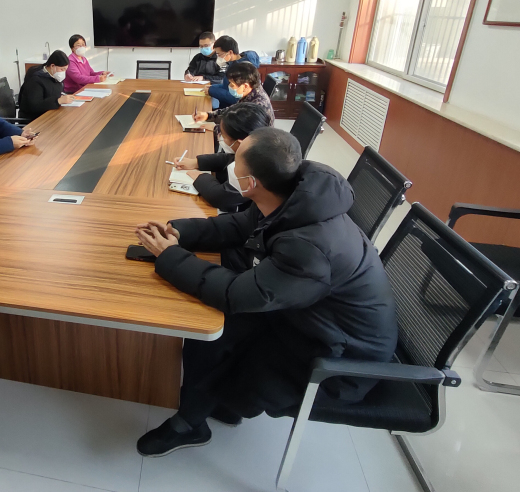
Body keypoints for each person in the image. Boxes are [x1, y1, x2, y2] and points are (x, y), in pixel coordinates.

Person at [133, 128, 397, 457]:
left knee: (218, 334)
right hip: (313, 319)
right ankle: (207, 408)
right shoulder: (291, 194)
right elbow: (239, 226)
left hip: (338, 359)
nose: (231, 163)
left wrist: (171, 257)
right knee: (215, 332)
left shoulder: (309, 249)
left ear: (250, 184)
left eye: (236, 162)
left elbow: (234, 294)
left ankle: (190, 424)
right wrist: (179, 232)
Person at [174, 103, 273, 213]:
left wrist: (200, 177)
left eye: (224, 136)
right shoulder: (258, 146)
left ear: (240, 143)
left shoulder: (255, 170)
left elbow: (220, 197)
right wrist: (196, 162)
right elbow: (227, 158)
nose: (220, 138)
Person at [194, 61, 274, 140]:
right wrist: (209, 115)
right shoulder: (251, 91)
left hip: (255, 143)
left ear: (245, 86)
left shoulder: (257, 105)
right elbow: (233, 110)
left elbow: (241, 130)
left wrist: (216, 128)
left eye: (232, 85)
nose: (229, 87)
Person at [19, 50, 75, 119]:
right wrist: (58, 101)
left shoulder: (55, 76)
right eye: (62, 69)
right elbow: (35, 105)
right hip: (35, 119)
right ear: (52, 66)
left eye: (65, 70)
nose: (63, 72)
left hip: (51, 113)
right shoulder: (36, 79)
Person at [207, 36, 260, 109]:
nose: (218, 57)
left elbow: (235, 98)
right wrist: (212, 87)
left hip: (234, 109)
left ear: (230, 52)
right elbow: (227, 86)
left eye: (219, 54)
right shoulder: (234, 63)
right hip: (226, 106)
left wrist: (212, 90)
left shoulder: (242, 70)